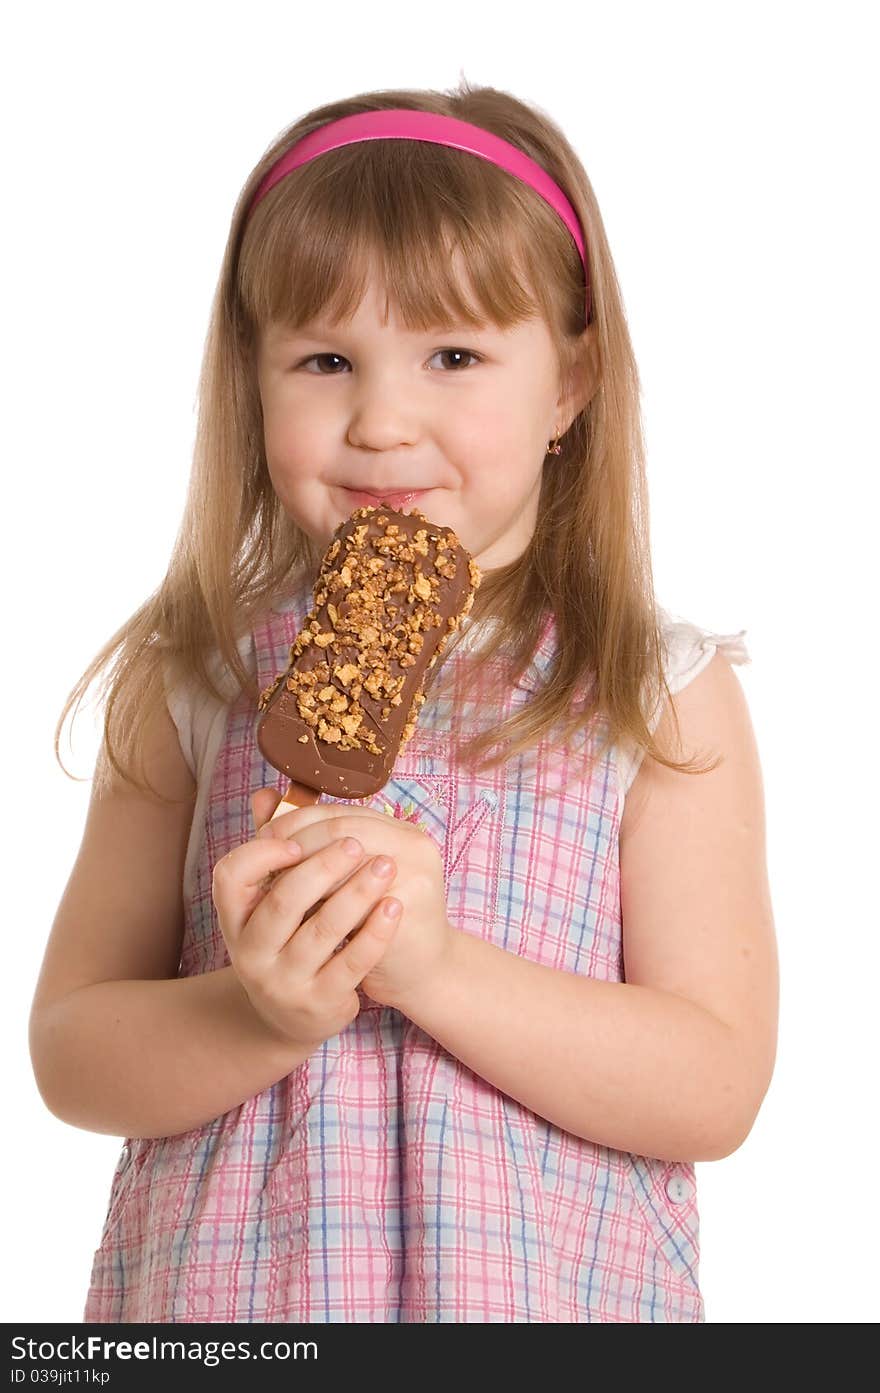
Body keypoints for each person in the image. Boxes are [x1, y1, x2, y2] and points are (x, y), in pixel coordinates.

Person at [29, 80, 778, 1324]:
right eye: (326, 359)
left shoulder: (659, 693)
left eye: (453, 355)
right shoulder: (196, 681)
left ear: (569, 386)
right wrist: (257, 1011)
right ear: (252, 379)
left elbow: (714, 1083)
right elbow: (73, 1053)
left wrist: (431, 968)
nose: (381, 421)